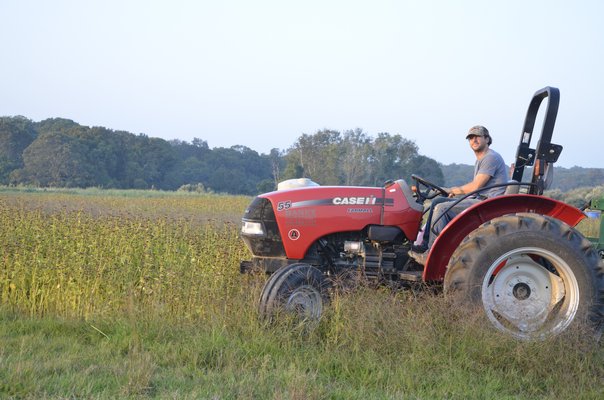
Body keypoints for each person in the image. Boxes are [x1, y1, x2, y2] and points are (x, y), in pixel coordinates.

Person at [409, 125, 508, 265]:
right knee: (438, 202)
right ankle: (423, 245)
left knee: (442, 208)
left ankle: (431, 254)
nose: (474, 140)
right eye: (471, 138)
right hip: (480, 199)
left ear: (487, 139)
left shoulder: (490, 157)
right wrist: (452, 192)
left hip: (487, 203)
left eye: (477, 136)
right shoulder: (481, 159)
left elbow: (476, 186)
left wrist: (453, 190)